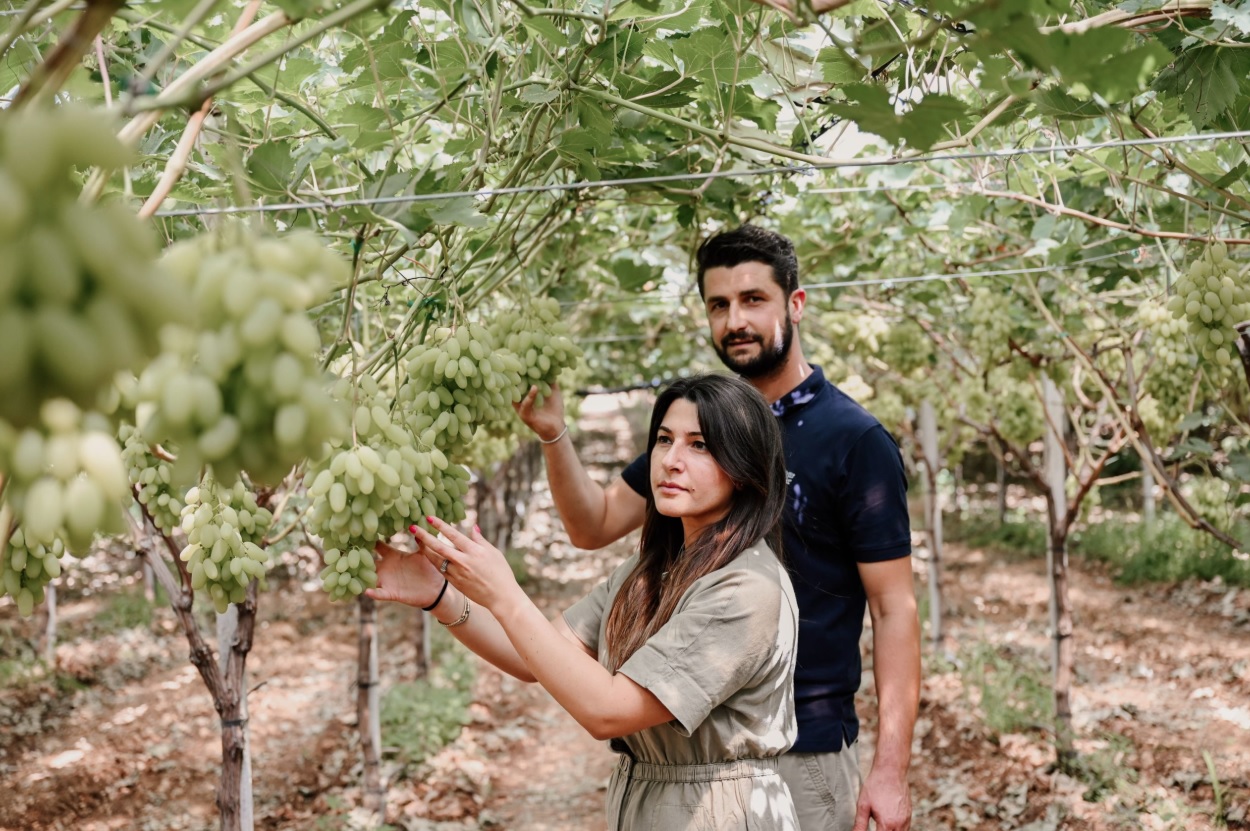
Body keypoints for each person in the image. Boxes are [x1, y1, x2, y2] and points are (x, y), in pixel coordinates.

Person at [514, 224, 921, 831]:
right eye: (718, 304)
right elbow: (593, 524)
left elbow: (894, 609)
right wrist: (554, 434)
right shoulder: (701, 430)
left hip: (796, 750)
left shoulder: (853, 440)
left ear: (796, 304)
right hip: (685, 744)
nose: (736, 321)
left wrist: (890, 767)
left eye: (754, 299)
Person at [369, 373, 802, 830]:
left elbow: (608, 711)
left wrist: (506, 593)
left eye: (700, 445)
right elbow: (530, 653)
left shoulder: (744, 589)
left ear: (745, 467)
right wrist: (440, 595)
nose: (671, 461)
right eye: (664, 439)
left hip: (718, 812)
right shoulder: (652, 570)